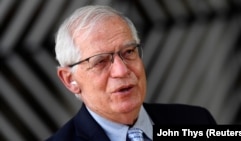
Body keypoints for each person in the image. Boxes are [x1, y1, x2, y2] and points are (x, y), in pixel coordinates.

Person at [46, 5, 216, 141]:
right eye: (100, 62)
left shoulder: (197, 121)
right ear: (70, 80)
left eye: (128, 52)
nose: (121, 70)